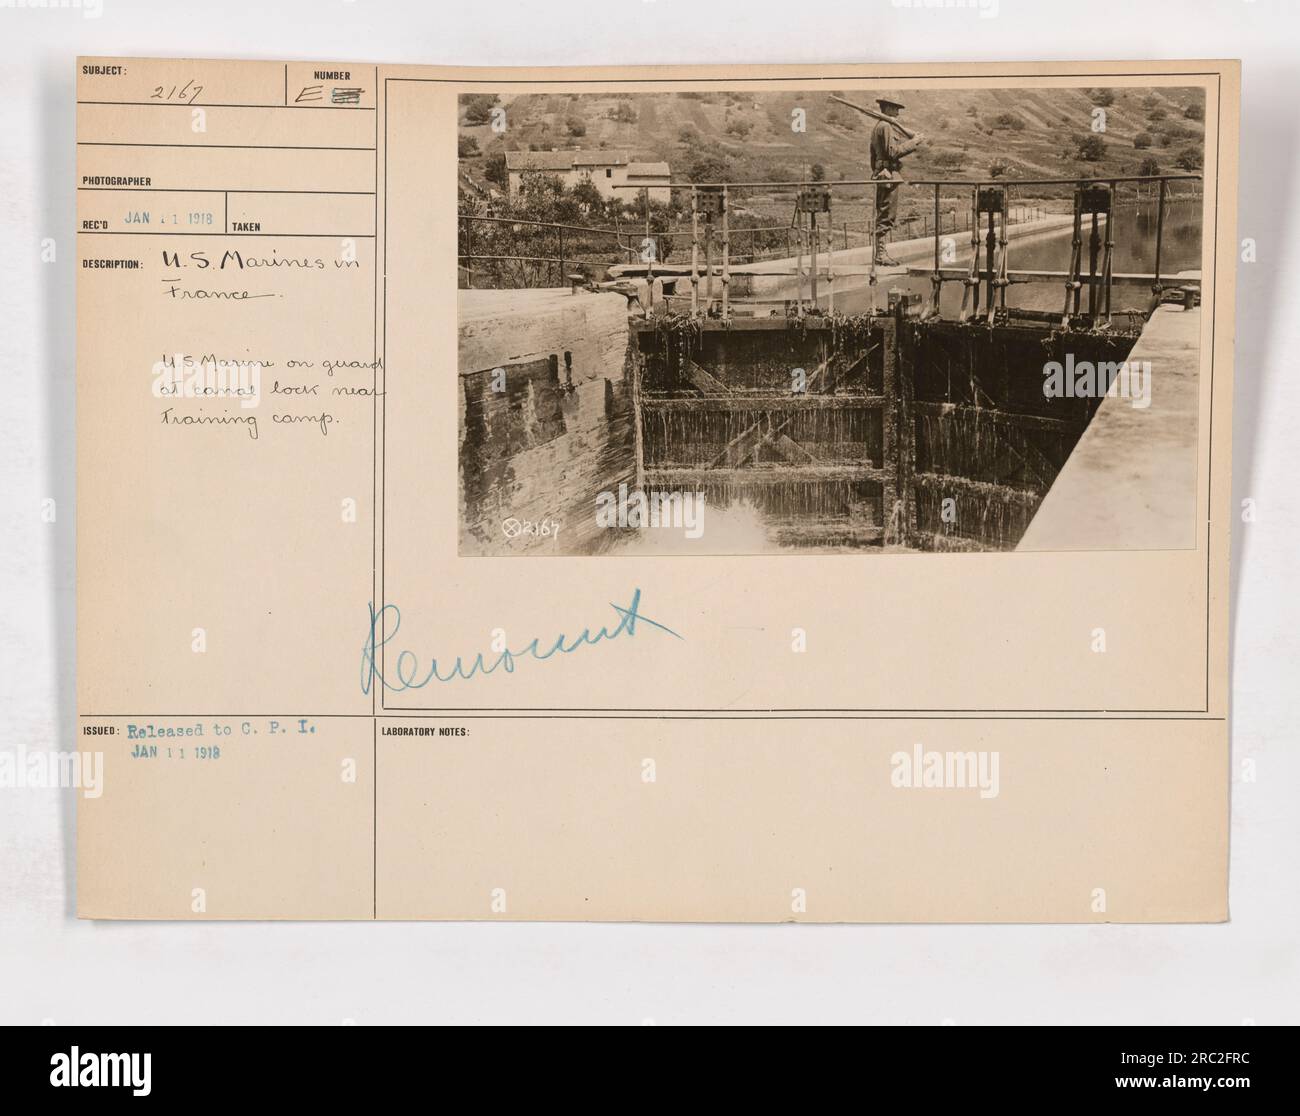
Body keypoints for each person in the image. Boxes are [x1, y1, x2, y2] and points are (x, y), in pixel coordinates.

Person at [869, 97, 923, 267]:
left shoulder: (880, 126)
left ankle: (880, 254)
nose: (898, 112)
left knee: (884, 213)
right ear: (887, 108)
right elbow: (893, 152)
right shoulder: (885, 126)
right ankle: (881, 255)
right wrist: (913, 143)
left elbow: (873, 155)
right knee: (887, 215)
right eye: (895, 108)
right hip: (889, 176)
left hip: (884, 174)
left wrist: (877, 170)